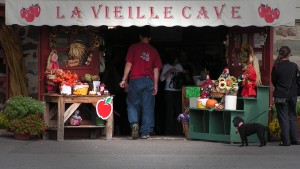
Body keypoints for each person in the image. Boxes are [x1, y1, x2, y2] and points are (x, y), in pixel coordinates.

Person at [119, 27, 162, 139]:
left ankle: (134, 124)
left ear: (140, 36)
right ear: (150, 38)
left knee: (132, 104)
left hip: (135, 80)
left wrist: (124, 79)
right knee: (148, 106)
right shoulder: (154, 51)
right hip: (149, 81)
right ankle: (145, 133)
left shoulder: (133, 47)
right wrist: (156, 85)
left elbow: (129, 64)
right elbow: (156, 69)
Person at [271, 46, 299, 146]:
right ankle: (295, 139)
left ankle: (286, 141)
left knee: (283, 118)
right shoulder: (294, 66)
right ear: (289, 54)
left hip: (280, 95)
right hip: (292, 95)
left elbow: (273, 81)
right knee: (292, 117)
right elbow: (297, 80)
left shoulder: (276, 66)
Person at [160, 51, 184, 135]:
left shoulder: (179, 66)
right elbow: (162, 79)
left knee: (179, 111)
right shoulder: (166, 66)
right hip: (169, 91)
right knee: (169, 111)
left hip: (178, 90)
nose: (176, 61)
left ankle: (179, 131)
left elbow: (183, 76)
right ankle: (169, 132)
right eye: (175, 59)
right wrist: (170, 70)